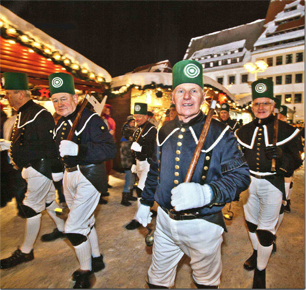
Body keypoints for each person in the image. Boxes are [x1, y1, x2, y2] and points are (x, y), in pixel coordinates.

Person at [135, 60, 250, 288]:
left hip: (203, 226)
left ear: (203, 98)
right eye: (181, 91)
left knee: (205, 282)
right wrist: (145, 202)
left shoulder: (221, 132)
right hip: (165, 223)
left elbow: (241, 176)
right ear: (173, 97)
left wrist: (207, 193)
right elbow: (156, 170)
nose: (187, 96)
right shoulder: (164, 130)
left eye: (193, 90)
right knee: (157, 281)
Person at [48, 72, 116, 288]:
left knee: (74, 227)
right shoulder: (60, 123)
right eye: (55, 100)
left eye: (64, 98)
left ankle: (86, 271)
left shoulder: (91, 119)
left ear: (75, 99)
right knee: (85, 221)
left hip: (88, 175)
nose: (59, 104)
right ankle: (96, 258)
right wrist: (59, 168)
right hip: (69, 175)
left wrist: (80, 149)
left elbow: (108, 149)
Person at [235, 79, 302, 288]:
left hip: (273, 184)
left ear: (273, 106)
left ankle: (260, 272)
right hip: (249, 184)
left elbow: (296, 161)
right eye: (257, 104)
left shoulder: (286, 130)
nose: (261, 107)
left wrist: (282, 157)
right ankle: (256, 254)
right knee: (252, 225)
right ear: (252, 106)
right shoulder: (244, 131)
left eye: (266, 103)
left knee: (265, 232)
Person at [0, 72, 65, 269]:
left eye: (9, 93)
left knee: (31, 207)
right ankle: (63, 226)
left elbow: (47, 146)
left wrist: (54, 171)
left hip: (40, 168)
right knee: (48, 202)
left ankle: (26, 251)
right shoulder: (25, 113)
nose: (7, 97)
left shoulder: (39, 114)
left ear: (20, 94)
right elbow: (30, 142)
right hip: (34, 168)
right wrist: (9, 145)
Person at [125, 103, 157, 230]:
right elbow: (134, 148)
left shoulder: (152, 129)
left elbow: (153, 150)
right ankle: (151, 208)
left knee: (140, 190)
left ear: (146, 116)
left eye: (140, 116)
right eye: (136, 116)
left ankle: (138, 218)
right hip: (139, 163)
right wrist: (134, 162)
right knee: (145, 190)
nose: (137, 119)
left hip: (148, 164)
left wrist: (141, 149)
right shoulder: (138, 129)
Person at [120, 128, 136, 206]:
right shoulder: (125, 144)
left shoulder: (128, 143)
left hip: (130, 164)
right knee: (128, 181)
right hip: (128, 165)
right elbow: (128, 154)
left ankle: (130, 195)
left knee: (132, 180)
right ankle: (124, 199)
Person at [102, 104, 116, 191]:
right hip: (103, 146)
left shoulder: (110, 120)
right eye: (106, 109)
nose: (108, 111)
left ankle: (106, 182)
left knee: (108, 165)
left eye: (109, 109)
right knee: (103, 166)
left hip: (110, 145)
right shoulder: (100, 120)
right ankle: (103, 184)